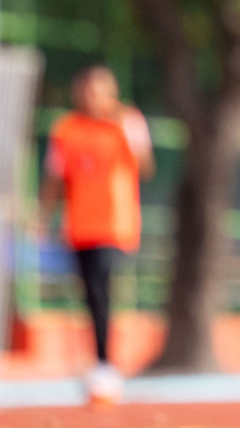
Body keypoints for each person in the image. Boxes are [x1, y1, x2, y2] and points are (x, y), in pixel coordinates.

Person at [39, 66, 154, 406]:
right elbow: (55, 178)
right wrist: (43, 216)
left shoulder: (125, 123)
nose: (92, 97)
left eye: (99, 90)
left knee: (102, 290)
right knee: (90, 295)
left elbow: (145, 166)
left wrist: (128, 129)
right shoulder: (66, 130)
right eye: (86, 90)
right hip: (79, 227)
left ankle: (105, 365)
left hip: (115, 226)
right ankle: (99, 364)